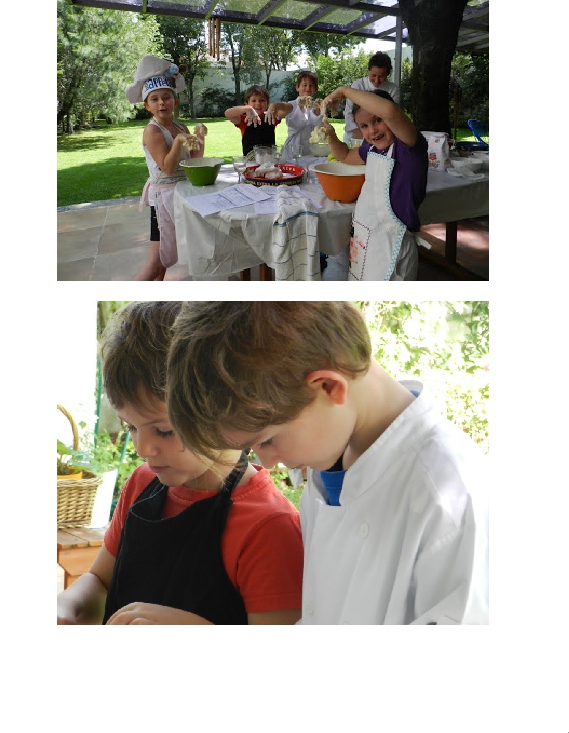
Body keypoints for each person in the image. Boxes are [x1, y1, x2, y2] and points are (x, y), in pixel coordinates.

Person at [164, 301, 489, 626]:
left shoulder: (449, 494)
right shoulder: (329, 466)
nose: (268, 462)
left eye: (267, 441)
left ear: (328, 387)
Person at [57, 301, 304, 625]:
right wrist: (68, 605)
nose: (143, 448)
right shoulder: (142, 483)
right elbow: (100, 580)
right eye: (131, 427)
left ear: (225, 408)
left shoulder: (269, 526)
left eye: (164, 430)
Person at [322, 87, 428, 280]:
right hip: (367, 242)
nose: (372, 130)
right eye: (364, 126)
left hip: (394, 248)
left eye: (378, 120)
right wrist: (331, 136)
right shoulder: (372, 150)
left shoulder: (409, 146)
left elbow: (389, 111)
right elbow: (345, 155)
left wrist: (344, 91)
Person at [125, 56, 208, 281]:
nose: (161, 103)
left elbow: (193, 160)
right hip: (162, 198)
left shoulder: (181, 127)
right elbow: (168, 168)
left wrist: (199, 137)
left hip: (179, 195)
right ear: (147, 105)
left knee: (164, 261)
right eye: (155, 99)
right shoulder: (152, 131)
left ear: (175, 101)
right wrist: (179, 141)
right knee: (156, 262)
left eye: (166, 97)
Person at [264, 70, 324, 160]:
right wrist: (273, 106)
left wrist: (317, 112)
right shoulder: (292, 104)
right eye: (304, 85)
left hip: (310, 150)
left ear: (316, 89)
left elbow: (319, 127)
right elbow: (282, 106)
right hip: (292, 150)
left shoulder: (316, 106)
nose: (308, 88)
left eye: (311, 85)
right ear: (297, 87)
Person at [343, 51, 400, 145]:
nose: (377, 81)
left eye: (381, 76)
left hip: (381, 136)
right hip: (356, 136)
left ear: (388, 74)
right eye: (373, 75)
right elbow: (349, 112)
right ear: (368, 71)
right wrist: (362, 136)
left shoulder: (393, 89)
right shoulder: (358, 85)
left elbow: (393, 115)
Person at [225, 85, 280, 157]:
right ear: (247, 104)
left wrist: (274, 106)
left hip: (269, 160)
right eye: (254, 101)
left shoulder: (271, 118)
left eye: (262, 100)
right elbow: (227, 113)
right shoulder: (245, 120)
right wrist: (248, 109)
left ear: (267, 103)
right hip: (250, 161)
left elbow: (289, 109)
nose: (258, 103)